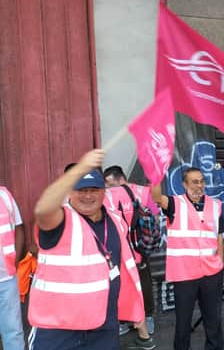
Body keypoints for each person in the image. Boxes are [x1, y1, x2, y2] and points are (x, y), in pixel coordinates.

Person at [28, 149, 147, 350]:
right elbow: (43, 209)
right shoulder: (61, 220)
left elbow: (124, 270)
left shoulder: (116, 221)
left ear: (104, 191)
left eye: (94, 189)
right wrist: (80, 168)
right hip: (58, 331)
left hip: (104, 327)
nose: (88, 195)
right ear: (70, 192)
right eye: (81, 190)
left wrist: (135, 309)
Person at [151, 167, 224, 350]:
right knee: (183, 323)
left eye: (201, 181)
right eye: (194, 182)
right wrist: (156, 172)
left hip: (212, 272)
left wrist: (220, 261)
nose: (199, 185)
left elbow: (219, 236)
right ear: (184, 184)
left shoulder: (216, 205)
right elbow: (156, 197)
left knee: (213, 320)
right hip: (184, 275)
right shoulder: (175, 204)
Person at [103, 165, 157, 336]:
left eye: (110, 184)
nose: (109, 189)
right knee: (144, 284)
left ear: (121, 179)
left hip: (120, 252)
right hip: (140, 247)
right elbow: (154, 214)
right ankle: (147, 319)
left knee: (122, 286)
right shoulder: (142, 191)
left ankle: (125, 321)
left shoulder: (106, 196)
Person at [0, 185, 25, 350]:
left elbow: (19, 227)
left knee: (13, 331)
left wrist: (15, 261)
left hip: (6, 279)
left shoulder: (4, 195)